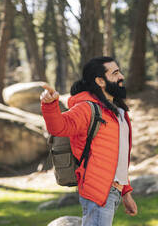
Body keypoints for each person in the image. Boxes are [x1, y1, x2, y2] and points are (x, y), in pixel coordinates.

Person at [40, 56, 137, 226]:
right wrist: (50, 105)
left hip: (114, 191)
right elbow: (60, 127)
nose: (121, 76)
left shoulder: (119, 112)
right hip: (98, 191)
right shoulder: (87, 108)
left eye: (119, 71)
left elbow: (118, 157)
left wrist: (126, 192)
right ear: (100, 81)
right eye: (115, 73)